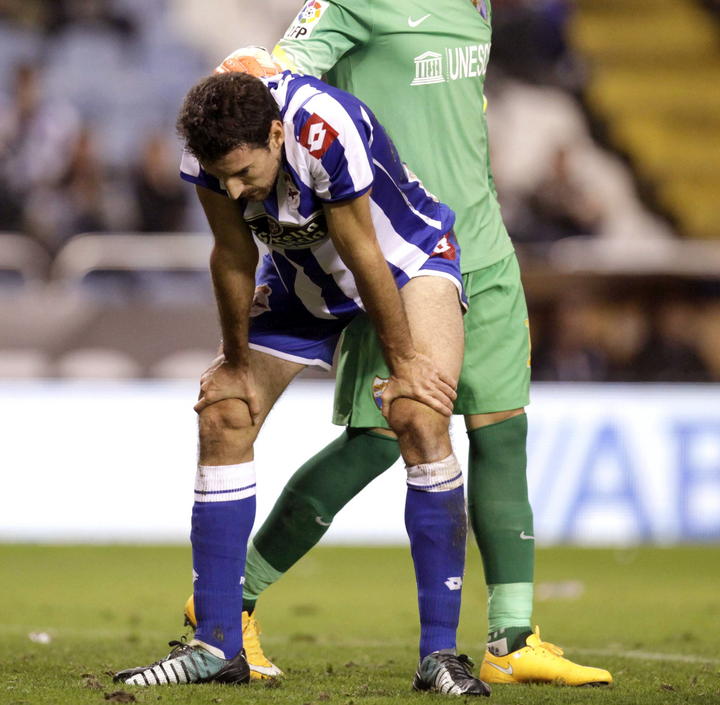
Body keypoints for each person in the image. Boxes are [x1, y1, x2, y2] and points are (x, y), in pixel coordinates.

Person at [184, 0, 613, 688]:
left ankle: (513, 638)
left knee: (502, 430)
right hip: (394, 248)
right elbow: (280, 68)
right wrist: (252, 71)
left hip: (483, 238)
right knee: (383, 437)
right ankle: (235, 599)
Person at [114, 55, 490, 695]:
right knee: (225, 413)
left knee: (418, 417)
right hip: (301, 282)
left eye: (242, 174)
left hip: (405, 264)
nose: (232, 191)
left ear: (276, 137)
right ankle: (216, 645)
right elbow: (233, 254)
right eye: (218, 178)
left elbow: (362, 251)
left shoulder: (323, 128)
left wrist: (404, 366)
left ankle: (439, 655)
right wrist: (234, 363)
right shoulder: (209, 153)